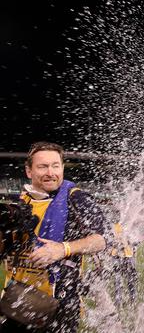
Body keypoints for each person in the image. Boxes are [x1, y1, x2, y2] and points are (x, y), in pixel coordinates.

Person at [1, 142, 106, 332]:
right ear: (29, 171)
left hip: (58, 307)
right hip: (18, 301)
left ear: (62, 168)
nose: (50, 172)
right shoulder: (20, 203)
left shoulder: (76, 199)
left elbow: (101, 240)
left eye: (55, 166)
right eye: (42, 166)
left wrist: (62, 248)